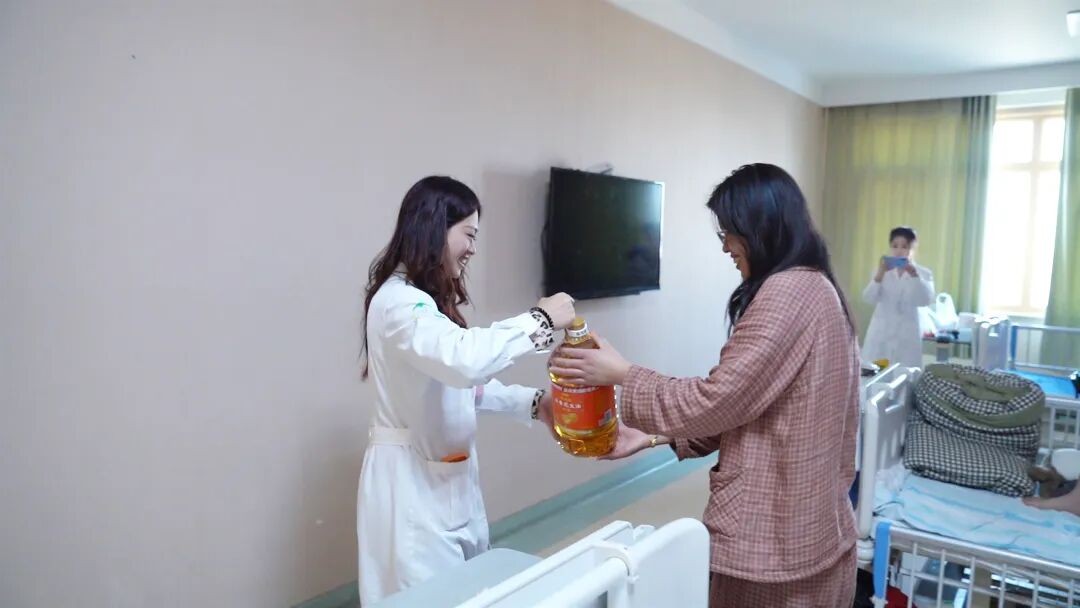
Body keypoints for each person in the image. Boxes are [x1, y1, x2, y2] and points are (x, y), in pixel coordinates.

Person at [549, 164, 860, 607]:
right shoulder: (816, 286)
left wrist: (622, 374)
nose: (725, 246)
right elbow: (753, 406)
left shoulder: (788, 293)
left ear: (761, 228)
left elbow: (718, 400)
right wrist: (649, 436)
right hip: (810, 532)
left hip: (775, 545)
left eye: (730, 232)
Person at [357, 176, 574, 604]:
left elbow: (463, 388)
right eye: (468, 234)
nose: (473, 248)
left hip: (445, 486)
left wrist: (535, 404)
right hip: (410, 494)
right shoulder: (399, 303)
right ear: (434, 228)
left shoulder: (422, 304)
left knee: (468, 593)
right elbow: (465, 361)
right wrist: (540, 320)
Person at [861, 226, 935, 369]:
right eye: (895, 246)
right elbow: (868, 298)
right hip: (881, 332)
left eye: (904, 246)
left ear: (913, 248)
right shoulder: (881, 272)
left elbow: (925, 300)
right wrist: (880, 274)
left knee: (905, 375)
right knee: (875, 375)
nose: (899, 251)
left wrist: (914, 276)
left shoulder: (924, 273)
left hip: (907, 334)